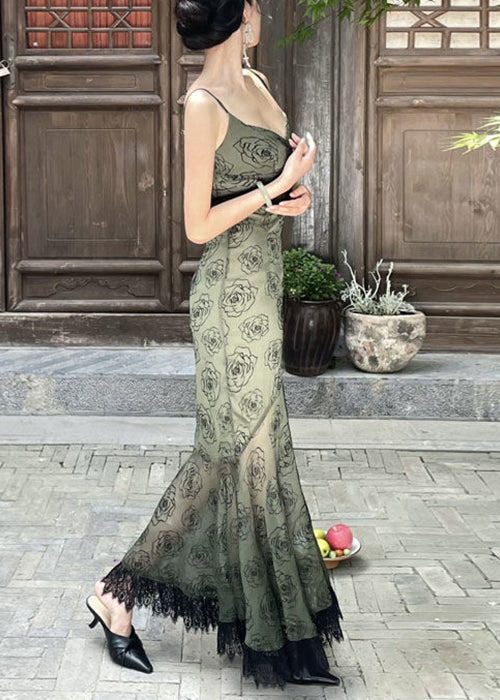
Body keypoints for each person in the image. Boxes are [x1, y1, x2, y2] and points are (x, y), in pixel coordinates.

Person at [85, 0, 344, 689]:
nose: (260, 11)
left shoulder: (257, 83)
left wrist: (290, 198)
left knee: (255, 458)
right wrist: (277, 185)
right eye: (252, 2)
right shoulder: (202, 104)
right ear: (239, 17)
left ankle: (269, 628)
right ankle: (117, 594)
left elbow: (257, 191)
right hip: (227, 299)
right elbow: (198, 225)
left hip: (263, 289)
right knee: (230, 456)